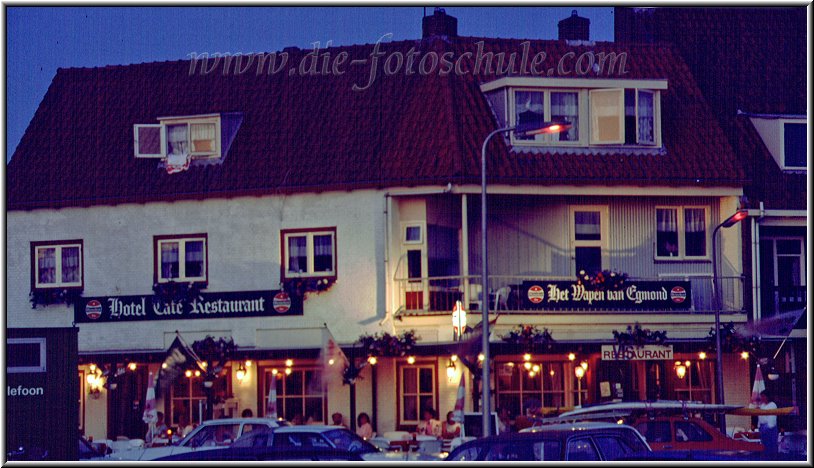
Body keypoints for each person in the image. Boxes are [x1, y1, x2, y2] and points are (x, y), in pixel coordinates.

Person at [757, 391, 779, 459]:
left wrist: (768, 427)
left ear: (768, 396)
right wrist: (759, 426)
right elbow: (760, 416)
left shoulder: (772, 405)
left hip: (770, 428)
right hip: (763, 427)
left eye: (764, 396)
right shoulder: (762, 405)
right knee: (764, 445)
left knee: (771, 445)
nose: (762, 398)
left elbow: (772, 418)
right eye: (761, 396)